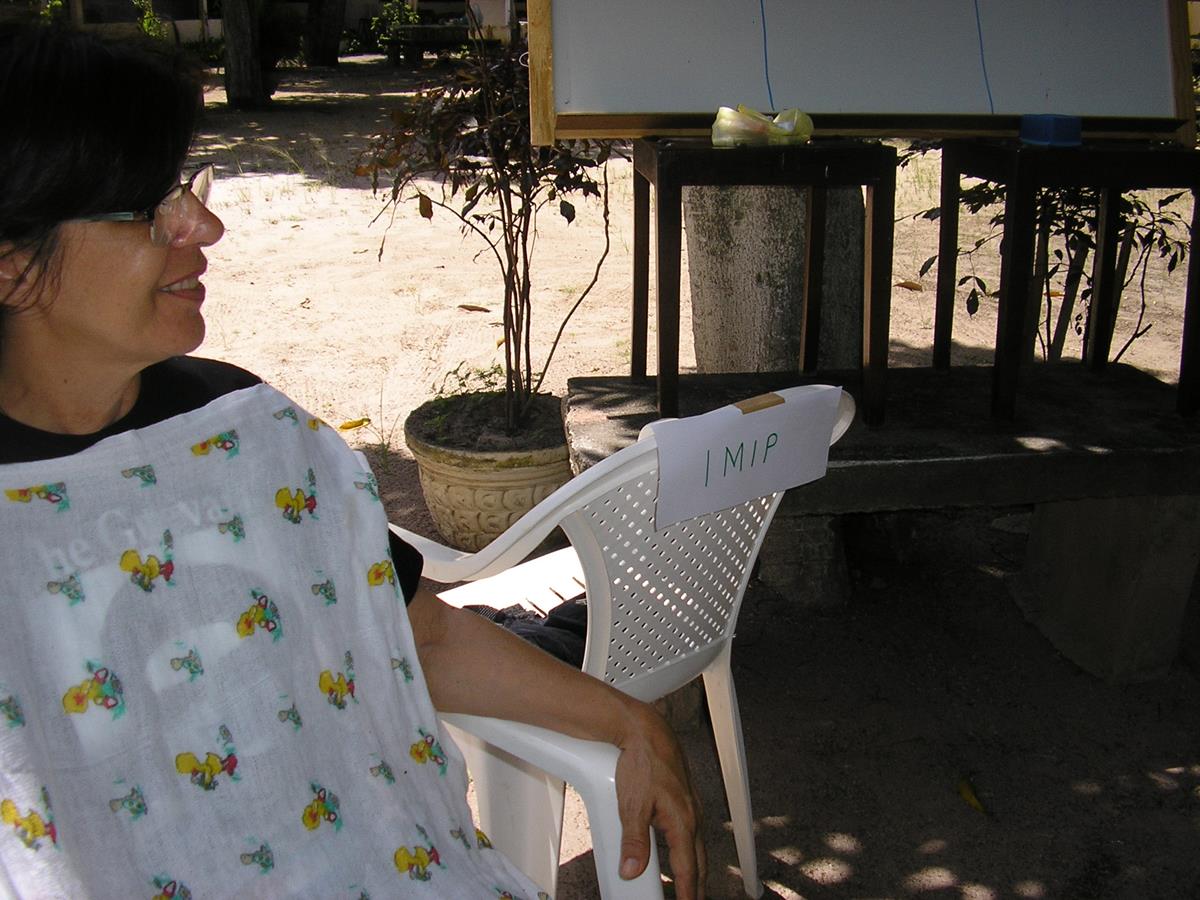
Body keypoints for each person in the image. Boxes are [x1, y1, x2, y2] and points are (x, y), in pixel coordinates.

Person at [0, 22, 704, 898]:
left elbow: (413, 629)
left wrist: (629, 721)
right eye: (150, 207)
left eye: (189, 186)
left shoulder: (247, 431)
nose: (206, 225)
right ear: (12, 265)